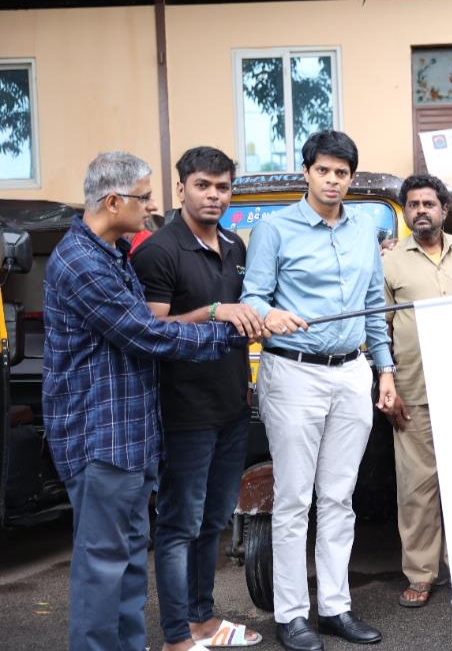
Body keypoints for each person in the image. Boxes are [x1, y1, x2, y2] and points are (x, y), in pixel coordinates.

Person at [43, 152, 248, 651]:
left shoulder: (112, 253)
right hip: (100, 439)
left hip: (132, 438)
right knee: (102, 565)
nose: (152, 205)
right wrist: (231, 330)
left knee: (131, 560)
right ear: (114, 202)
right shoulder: (80, 262)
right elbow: (146, 334)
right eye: (145, 196)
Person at [241, 130, 397, 651]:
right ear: (306, 172)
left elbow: (374, 306)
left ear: (351, 177)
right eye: (324, 170)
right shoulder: (274, 229)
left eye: (342, 173)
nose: (332, 180)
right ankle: (291, 615)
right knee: (292, 499)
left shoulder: (364, 230)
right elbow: (252, 297)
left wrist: (385, 370)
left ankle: (334, 607)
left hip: (351, 373)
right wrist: (269, 315)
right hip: (293, 372)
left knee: (339, 497)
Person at [131, 147, 265, 650]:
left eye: (223, 187)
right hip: (183, 411)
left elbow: (241, 316)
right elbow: (150, 329)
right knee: (178, 525)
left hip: (231, 405)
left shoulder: (234, 244)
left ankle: (203, 622)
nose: (214, 196)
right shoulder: (158, 251)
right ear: (181, 187)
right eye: (203, 185)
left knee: (213, 520)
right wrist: (214, 310)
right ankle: (176, 636)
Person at [381, 174, 452, 608]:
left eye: (429, 203)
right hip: (413, 389)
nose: (421, 210)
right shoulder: (389, 262)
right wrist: (386, 382)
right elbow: (379, 329)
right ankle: (421, 574)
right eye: (413, 204)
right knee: (417, 488)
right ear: (406, 212)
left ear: (444, 209)